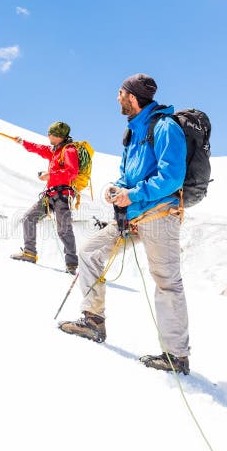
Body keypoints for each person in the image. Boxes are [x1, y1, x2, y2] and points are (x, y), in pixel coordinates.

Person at [58, 74, 191, 374]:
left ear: (132, 97)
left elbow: (172, 177)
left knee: (167, 282)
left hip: (159, 215)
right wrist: (116, 188)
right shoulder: (132, 132)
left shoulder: (165, 127)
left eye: (120, 92)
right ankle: (93, 321)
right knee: (90, 252)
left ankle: (176, 356)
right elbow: (126, 175)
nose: (116, 97)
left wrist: (133, 194)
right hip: (130, 215)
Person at [10, 121, 79, 274]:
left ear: (59, 136)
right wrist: (22, 142)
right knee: (29, 217)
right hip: (51, 195)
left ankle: (72, 266)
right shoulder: (55, 151)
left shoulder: (69, 151)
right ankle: (29, 253)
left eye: (51, 133)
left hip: (62, 195)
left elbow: (72, 172)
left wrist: (50, 175)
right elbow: (38, 149)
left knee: (64, 230)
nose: (48, 135)